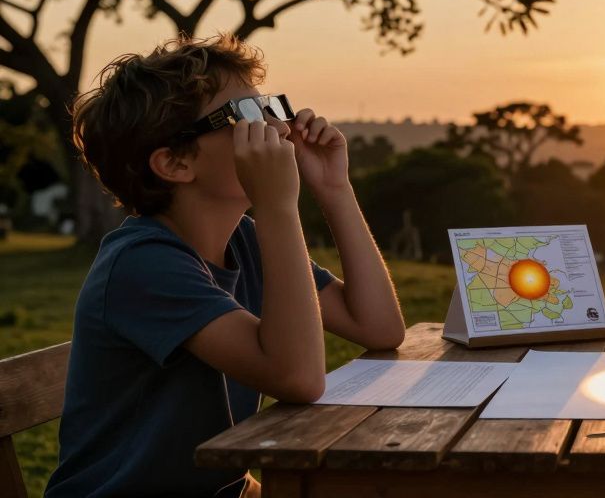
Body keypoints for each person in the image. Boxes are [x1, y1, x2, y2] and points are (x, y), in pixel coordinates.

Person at [47, 34, 407, 498]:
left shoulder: (245, 241)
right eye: (247, 117)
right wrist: (277, 205)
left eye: (273, 107)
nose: (279, 128)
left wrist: (334, 189)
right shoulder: (143, 264)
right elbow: (298, 378)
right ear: (175, 163)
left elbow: (378, 327)